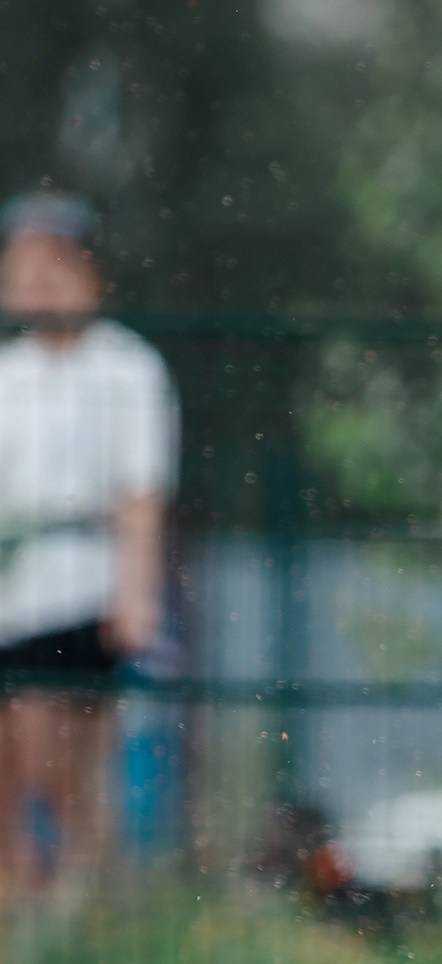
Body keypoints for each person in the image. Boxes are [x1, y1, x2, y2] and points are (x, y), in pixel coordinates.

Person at [0, 192, 175, 904]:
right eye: (22, 265)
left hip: (79, 587)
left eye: (52, 264)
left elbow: (140, 494)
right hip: (11, 590)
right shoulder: (8, 373)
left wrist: (136, 596)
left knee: (57, 767)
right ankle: (22, 915)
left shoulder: (125, 369)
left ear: (88, 272)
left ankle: (95, 910)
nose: (36, 280)